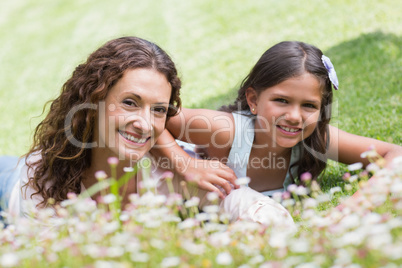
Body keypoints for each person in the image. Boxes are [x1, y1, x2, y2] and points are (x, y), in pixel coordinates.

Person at [0, 36, 295, 229]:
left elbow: (269, 215)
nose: (143, 123)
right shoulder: (42, 187)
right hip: (11, 184)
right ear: (92, 103)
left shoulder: (166, 172)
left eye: (158, 110)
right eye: (130, 102)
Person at [152, 41, 402, 200]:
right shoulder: (225, 130)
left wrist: (357, 204)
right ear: (253, 99)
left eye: (309, 105)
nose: (294, 116)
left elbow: (394, 154)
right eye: (281, 100)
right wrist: (183, 163)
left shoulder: (315, 139)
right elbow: (154, 114)